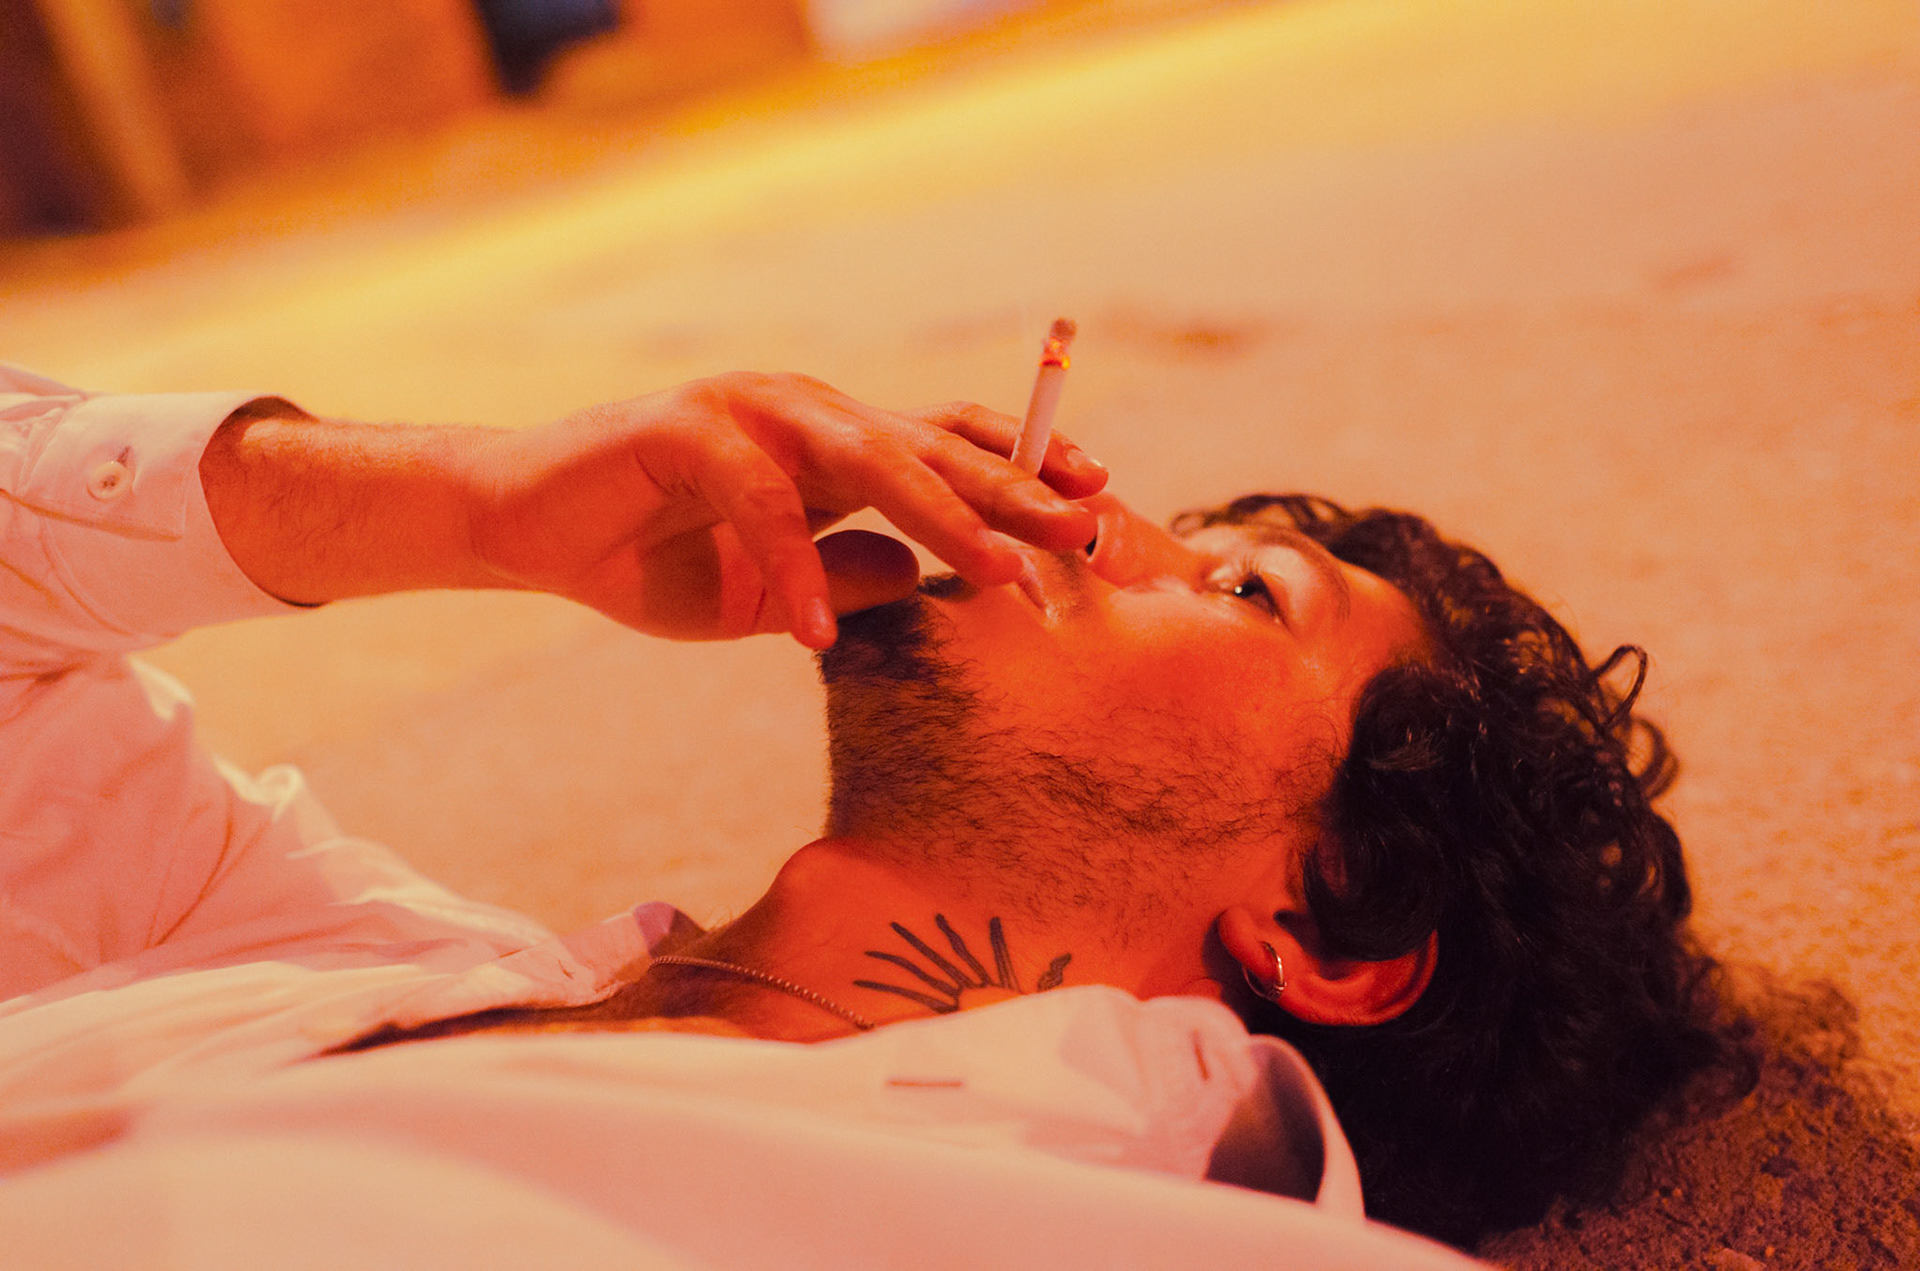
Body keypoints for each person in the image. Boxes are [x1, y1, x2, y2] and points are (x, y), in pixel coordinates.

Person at [0, 363, 1719, 1259]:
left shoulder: (1092, 1202)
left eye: (1243, 592)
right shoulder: (336, 949)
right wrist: (480, 509)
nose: (1078, 508)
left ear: (1333, 931)